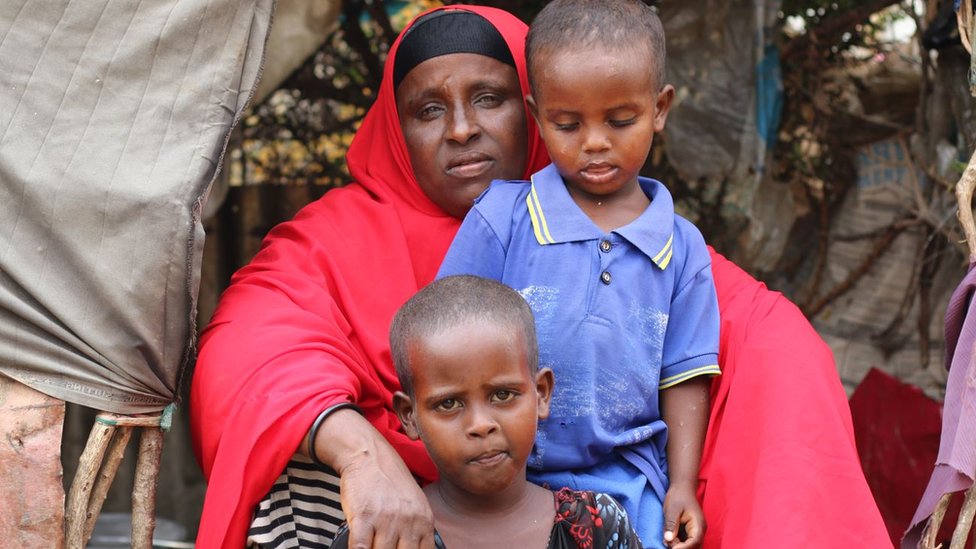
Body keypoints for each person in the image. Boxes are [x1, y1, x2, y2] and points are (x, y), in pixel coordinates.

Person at [190, 4, 892, 549]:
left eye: (488, 99)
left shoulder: (619, 226)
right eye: (428, 109)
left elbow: (741, 323)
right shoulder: (334, 236)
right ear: (394, 128)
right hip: (404, 511)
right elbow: (244, 356)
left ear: (533, 109)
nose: (462, 129)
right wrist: (363, 452)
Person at [436, 2, 715, 547]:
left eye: (620, 120)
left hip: (627, 488)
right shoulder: (502, 219)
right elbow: (444, 341)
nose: (593, 142)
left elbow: (684, 377)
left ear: (659, 108)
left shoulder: (682, 248)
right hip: (502, 480)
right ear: (538, 116)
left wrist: (682, 484)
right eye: (568, 124)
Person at [332, 275, 645, 549]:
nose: (481, 425)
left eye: (503, 395)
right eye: (449, 404)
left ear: (540, 394)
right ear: (409, 415)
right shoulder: (382, 532)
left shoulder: (596, 524)